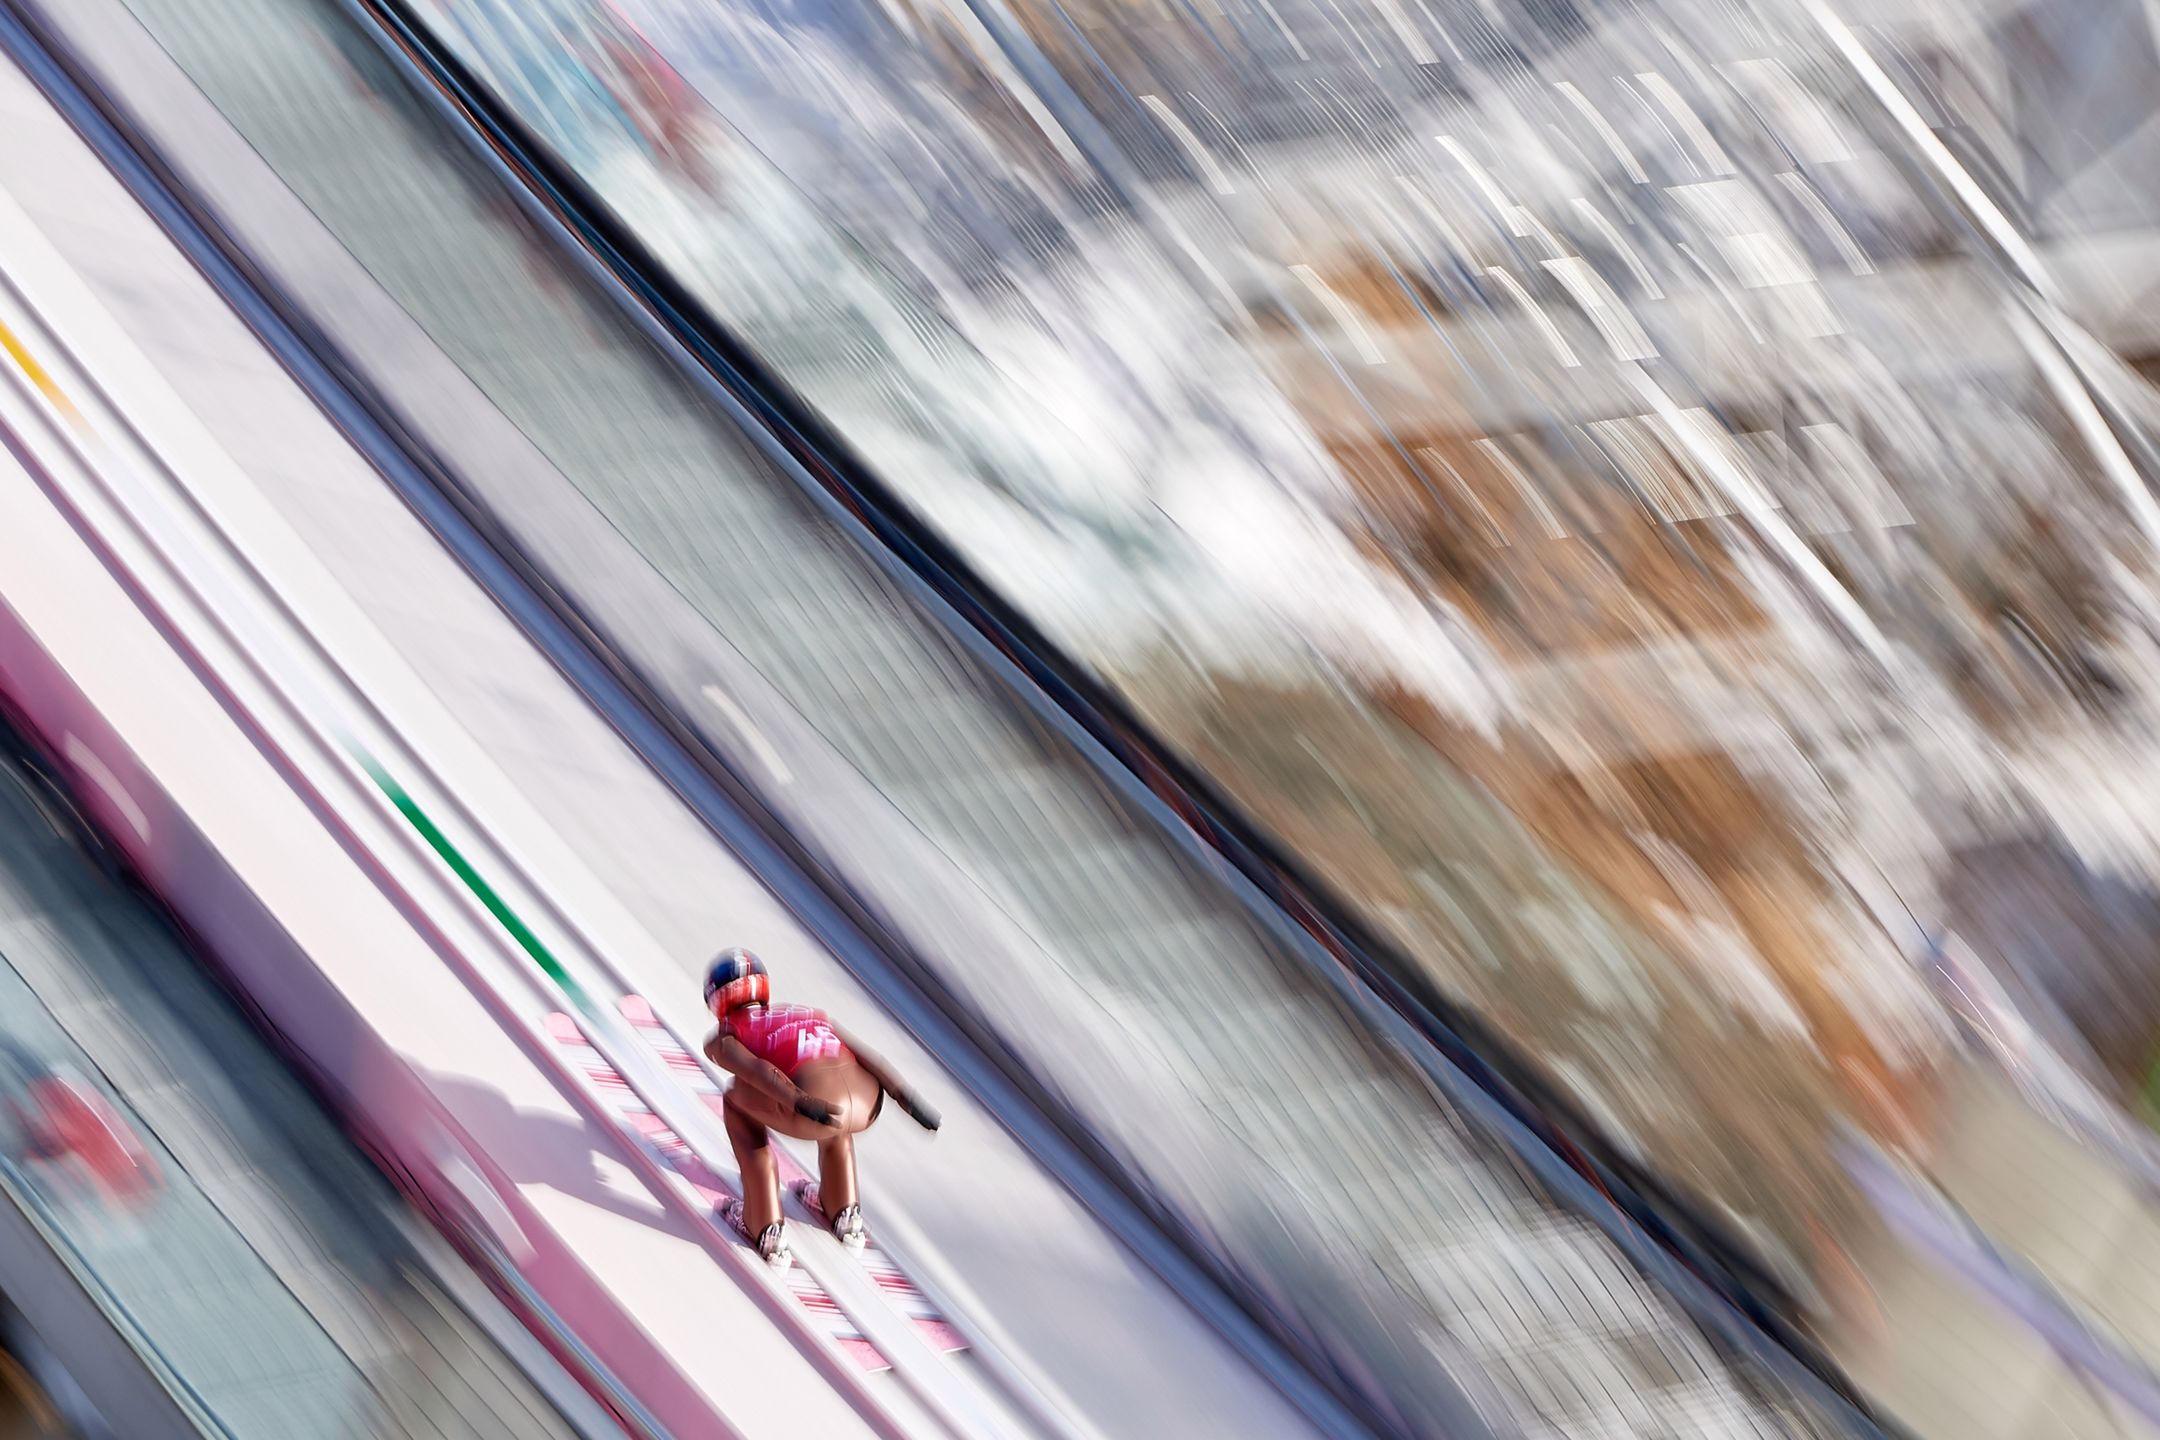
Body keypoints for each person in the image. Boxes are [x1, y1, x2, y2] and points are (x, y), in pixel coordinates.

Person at [701, 948, 939, 1268]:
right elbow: (866, 1055)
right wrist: (906, 1098)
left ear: (716, 998)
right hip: (867, 1102)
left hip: (817, 1102)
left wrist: (798, 1100)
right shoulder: (807, 1013)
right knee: (834, 1116)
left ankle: (762, 1224)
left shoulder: (725, 1035)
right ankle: (843, 1209)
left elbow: (757, 1071)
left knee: (735, 1099)